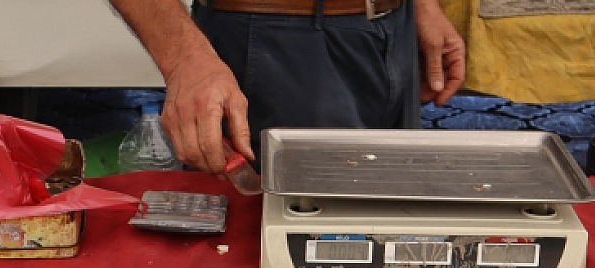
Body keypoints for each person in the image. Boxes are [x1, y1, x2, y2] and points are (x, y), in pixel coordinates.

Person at [108, 0, 466, 174]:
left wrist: (424, 7)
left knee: (393, 232)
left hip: (397, 29)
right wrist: (185, 59)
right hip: (276, 39)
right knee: (297, 257)